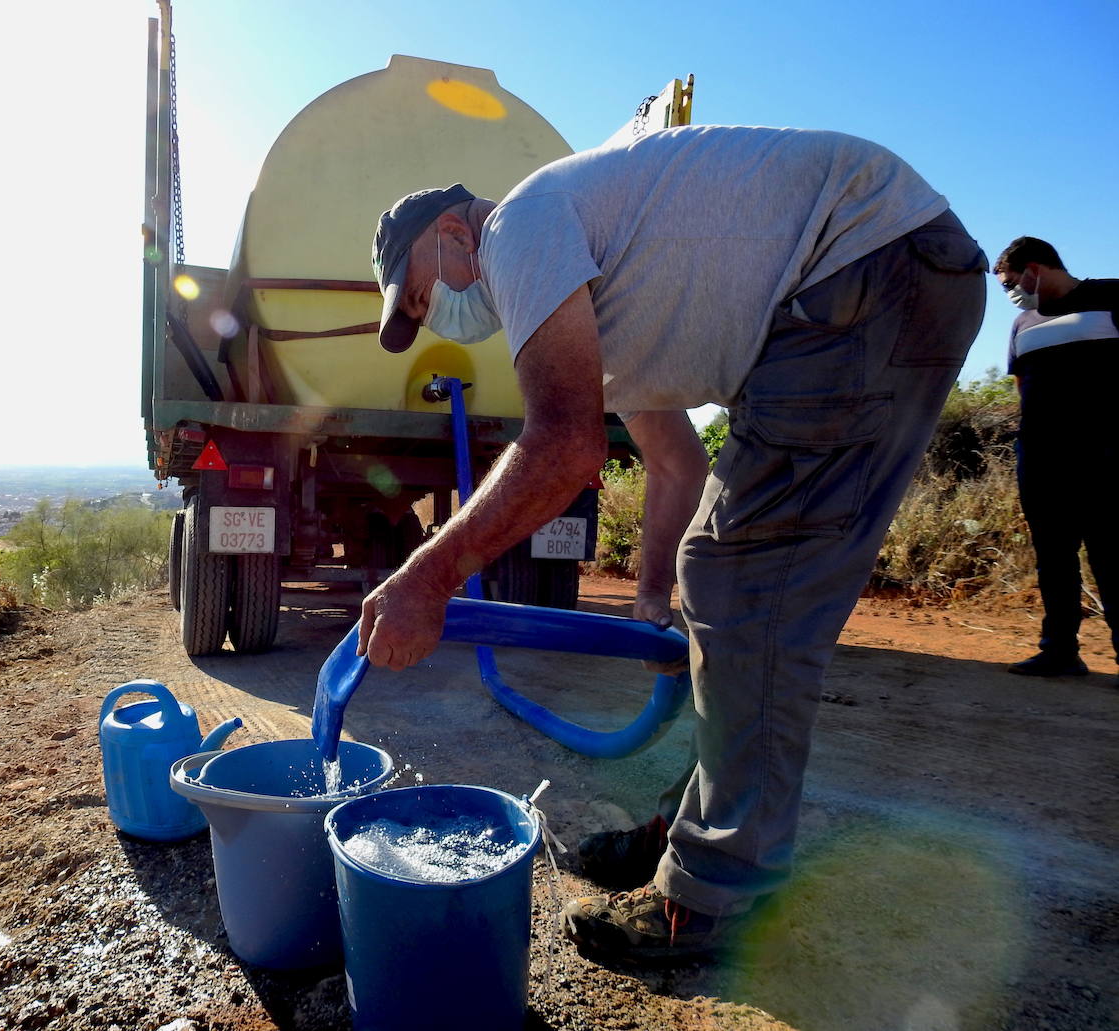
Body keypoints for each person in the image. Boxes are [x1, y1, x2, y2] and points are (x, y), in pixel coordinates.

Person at [362, 125, 986, 964]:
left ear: (451, 233)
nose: (430, 315)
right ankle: (697, 826)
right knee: (725, 576)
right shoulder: (584, 304)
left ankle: (717, 895)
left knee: (750, 586)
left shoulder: (518, 226)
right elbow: (673, 461)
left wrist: (428, 576)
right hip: (875, 278)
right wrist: (656, 601)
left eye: (416, 295)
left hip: (866, 268)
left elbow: (564, 447)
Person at [994, 237, 1118, 680]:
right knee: (1053, 555)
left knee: (1111, 554)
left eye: (1012, 282)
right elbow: (1022, 387)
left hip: (1105, 452)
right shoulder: (1023, 324)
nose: (1012, 293)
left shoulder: (1111, 294)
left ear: (1036, 268)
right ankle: (1060, 651)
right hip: (1042, 454)